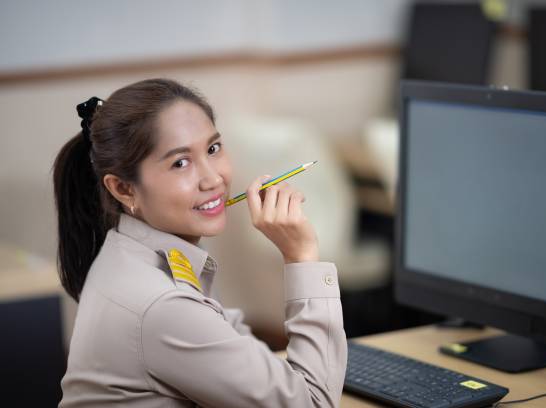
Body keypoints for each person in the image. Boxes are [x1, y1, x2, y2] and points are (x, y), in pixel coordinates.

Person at [53, 78, 347, 407]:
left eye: (213, 149)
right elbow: (315, 404)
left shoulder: (138, 251)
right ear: (124, 189)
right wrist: (302, 256)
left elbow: (232, 341)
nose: (213, 179)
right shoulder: (163, 305)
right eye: (180, 163)